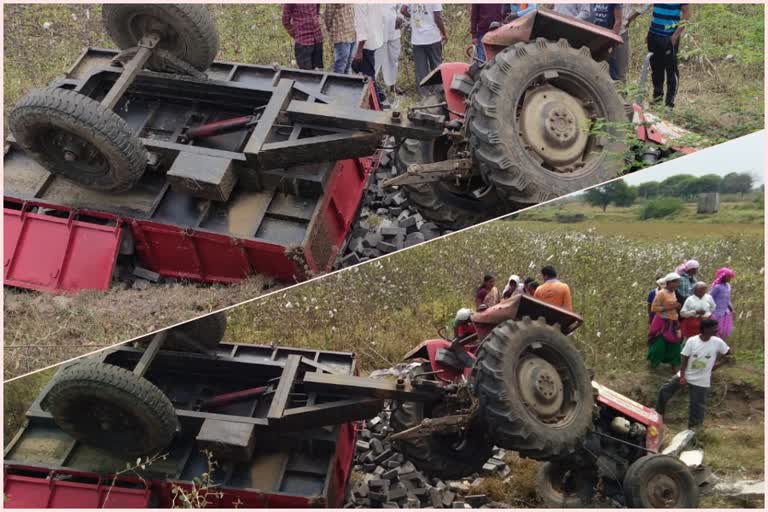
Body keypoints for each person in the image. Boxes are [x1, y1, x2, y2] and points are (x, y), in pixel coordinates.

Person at [655, 319, 730, 429]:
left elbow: (728, 354)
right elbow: (684, 358)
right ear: (705, 329)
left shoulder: (718, 342)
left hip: (702, 380)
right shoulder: (692, 341)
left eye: (716, 328)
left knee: (697, 406)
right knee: (665, 390)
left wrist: (718, 365)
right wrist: (682, 377)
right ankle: (658, 415)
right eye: (714, 329)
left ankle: (694, 430)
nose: (716, 330)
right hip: (686, 374)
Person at [647, 4, 690, 109]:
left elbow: (686, 14)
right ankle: (657, 99)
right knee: (656, 68)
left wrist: (675, 36)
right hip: (654, 34)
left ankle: (669, 104)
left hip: (669, 37)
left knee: (671, 70)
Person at [401, 4, 447, 91]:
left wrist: (413, 18)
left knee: (420, 69)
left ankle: (424, 96)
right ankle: (438, 93)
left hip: (417, 40)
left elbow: (403, 10)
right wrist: (444, 33)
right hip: (433, 37)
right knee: (436, 66)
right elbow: (437, 18)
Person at [648, 272, 683, 370]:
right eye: (675, 282)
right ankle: (654, 364)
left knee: (675, 344)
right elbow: (654, 308)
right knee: (659, 345)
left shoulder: (673, 292)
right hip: (662, 322)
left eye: (678, 282)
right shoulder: (661, 293)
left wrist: (677, 307)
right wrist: (671, 307)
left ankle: (673, 365)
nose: (677, 284)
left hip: (673, 321)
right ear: (669, 283)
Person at [353, 4, 386, 104]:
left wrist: (359, 50)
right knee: (364, 71)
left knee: (368, 79)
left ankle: (376, 103)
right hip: (375, 38)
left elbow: (362, 27)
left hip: (366, 45)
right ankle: (379, 95)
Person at [609, 4, 650, 83]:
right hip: (602, 32)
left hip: (621, 33)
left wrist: (631, 18)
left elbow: (645, 4)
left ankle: (620, 93)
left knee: (620, 72)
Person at [375, 4, 405, 105]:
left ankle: (392, 86)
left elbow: (400, 7)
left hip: (394, 30)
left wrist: (400, 17)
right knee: (376, 61)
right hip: (379, 30)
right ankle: (373, 89)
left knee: (393, 59)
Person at [282, 4, 324, 70]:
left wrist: (317, 20)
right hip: (303, 43)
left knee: (318, 74)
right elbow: (285, 21)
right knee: (306, 76)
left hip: (317, 39)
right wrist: (297, 34)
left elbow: (317, 10)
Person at [324, 4, 356, 74]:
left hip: (352, 33)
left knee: (349, 64)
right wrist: (331, 29)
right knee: (341, 64)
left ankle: (348, 84)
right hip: (341, 34)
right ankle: (337, 83)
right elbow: (328, 16)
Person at [709, 267, 735, 341]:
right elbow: (709, 298)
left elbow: (727, 299)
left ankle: (721, 348)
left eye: (730, 276)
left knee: (724, 332)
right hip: (716, 313)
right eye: (728, 276)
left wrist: (732, 310)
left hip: (725, 313)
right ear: (723, 277)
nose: (730, 278)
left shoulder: (728, 286)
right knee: (715, 332)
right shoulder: (717, 287)